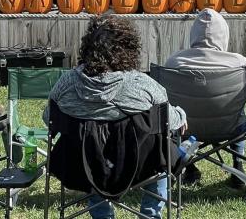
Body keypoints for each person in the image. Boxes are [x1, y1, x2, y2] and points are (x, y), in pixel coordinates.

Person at [47, 16, 188, 219]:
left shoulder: (66, 84)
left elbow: (48, 118)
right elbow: (170, 120)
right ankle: (150, 214)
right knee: (162, 146)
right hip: (140, 165)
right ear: (129, 48)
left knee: (92, 149)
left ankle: (101, 215)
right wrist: (182, 115)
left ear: (87, 46)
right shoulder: (142, 85)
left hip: (85, 166)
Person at [163, 8, 246, 188]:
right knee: (240, 113)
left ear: (193, 34)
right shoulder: (239, 64)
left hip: (186, 128)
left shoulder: (174, 63)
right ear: (224, 34)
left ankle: (189, 167)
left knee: (176, 114)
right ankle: (238, 165)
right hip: (230, 128)